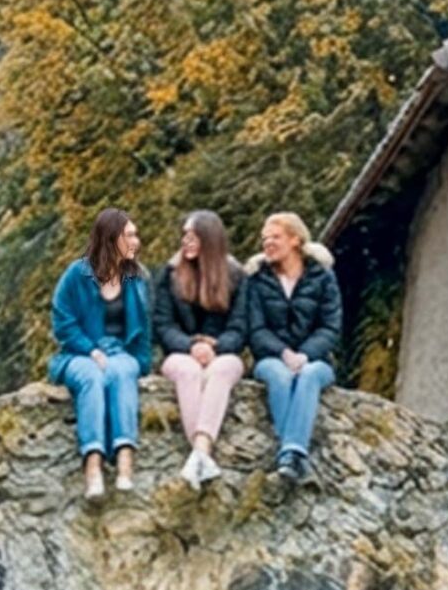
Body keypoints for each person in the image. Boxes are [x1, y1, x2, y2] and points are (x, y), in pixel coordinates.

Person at [50, 208, 151, 500]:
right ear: (111, 238)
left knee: (122, 372)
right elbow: (63, 321)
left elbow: (142, 328)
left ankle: (124, 462)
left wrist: (142, 364)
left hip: (120, 353)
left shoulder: (135, 278)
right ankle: (93, 466)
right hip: (78, 354)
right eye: (130, 235)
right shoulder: (76, 274)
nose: (137, 241)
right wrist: (89, 349)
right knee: (91, 378)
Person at [243, 210, 343, 481]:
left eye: (275, 237)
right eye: (264, 239)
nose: (267, 244)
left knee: (309, 375)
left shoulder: (323, 278)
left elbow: (330, 327)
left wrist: (305, 354)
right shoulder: (255, 280)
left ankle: (290, 453)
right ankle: (295, 455)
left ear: (295, 240)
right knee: (279, 375)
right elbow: (256, 329)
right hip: (271, 358)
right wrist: (284, 353)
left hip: (317, 360)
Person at [153, 210, 246, 489]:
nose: (186, 241)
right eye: (184, 236)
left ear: (209, 239)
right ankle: (202, 455)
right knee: (188, 371)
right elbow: (162, 324)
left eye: (192, 236)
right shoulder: (170, 276)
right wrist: (190, 345)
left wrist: (215, 347)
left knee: (222, 370)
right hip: (181, 353)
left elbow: (241, 327)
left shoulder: (236, 277)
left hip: (223, 353)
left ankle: (199, 452)